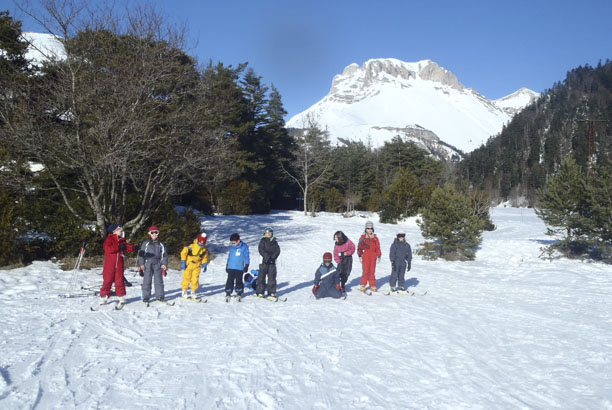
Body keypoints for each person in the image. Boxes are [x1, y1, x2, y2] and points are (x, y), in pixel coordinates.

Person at [100, 224, 137, 307]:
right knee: (107, 281)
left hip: (119, 266)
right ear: (114, 231)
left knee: (119, 281)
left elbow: (127, 246)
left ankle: (121, 297)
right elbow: (108, 249)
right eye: (119, 229)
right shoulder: (109, 239)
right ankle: (104, 297)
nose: (121, 231)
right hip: (109, 266)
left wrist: (134, 247)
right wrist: (118, 247)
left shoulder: (122, 240)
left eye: (121, 230)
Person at [138, 226, 169, 303]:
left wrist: (164, 264)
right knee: (147, 280)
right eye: (152, 233)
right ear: (149, 234)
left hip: (158, 263)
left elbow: (164, 255)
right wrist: (142, 263)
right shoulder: (146, 243)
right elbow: (141, 254)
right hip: (148, 263)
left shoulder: (161, 244)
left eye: (156, 232)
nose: (154, 234)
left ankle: (160, 296)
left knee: (159, 280)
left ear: (158, 233)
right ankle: (146, 296)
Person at [180, 232, 209, 300]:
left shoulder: (204, 249)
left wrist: (205, 264)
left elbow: (204, 257)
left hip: (197, 266)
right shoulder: (191, 247)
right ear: (197, 240)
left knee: (195, 279)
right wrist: (183, 262)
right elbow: (183, 253)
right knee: (187, 278)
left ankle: (193, 291)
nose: (201, 244)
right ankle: (184, 291)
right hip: (189, 265)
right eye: (200, 243)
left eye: (203, 244)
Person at [357, 221, 382, 292]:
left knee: (372, 271)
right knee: (365, 271)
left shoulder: (375, 238)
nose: (369, 230)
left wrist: (379, 256)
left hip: (373, 256)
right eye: (368, 228)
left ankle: (372, 284)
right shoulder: (363, 237)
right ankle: (363, 284)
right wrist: (360, 256)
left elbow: (378, 247)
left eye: (371, 228)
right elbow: (359, 248)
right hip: (366, 256)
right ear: (365, 229)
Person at [256, 227, 281, 297]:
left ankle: (271, 291)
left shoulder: (275, 242)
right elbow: (261, 250)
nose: (268, 234)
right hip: (264, 261)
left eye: (270, 233)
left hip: (272, 262)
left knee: (272, 277)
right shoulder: (262, 241)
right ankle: (260, 291)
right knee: (261, 277)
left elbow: (277, 250)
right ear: (265, 234)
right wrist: (267, 257)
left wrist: (273, 257)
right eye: (267, 233)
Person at [226, 233, 249, 300]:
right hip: (231, 267)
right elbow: (229, 256)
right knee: (230, 280)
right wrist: (227, 265)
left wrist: (246, 265)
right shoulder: (232, 247)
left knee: (239, 280)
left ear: (238, 240)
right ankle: (228, 292)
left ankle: (239, 292)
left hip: (239, 267)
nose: (233, 244)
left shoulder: (244, 247)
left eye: (234, 242)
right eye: (232, 243)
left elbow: (246, 257)